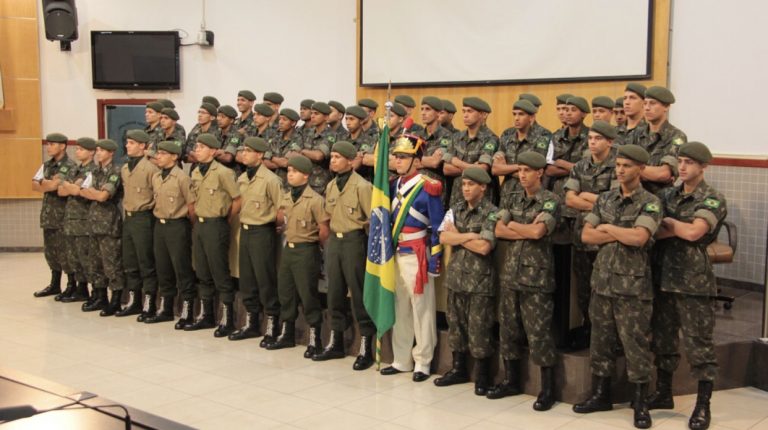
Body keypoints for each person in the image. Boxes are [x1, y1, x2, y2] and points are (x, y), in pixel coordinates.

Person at [572, 144, 662, 430]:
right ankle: (601, 394)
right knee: (600, 341)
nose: (620, 170)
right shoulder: (605, 199)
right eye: (618, 165)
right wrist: (619, 232)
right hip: (602, 281)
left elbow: (639, 238)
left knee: (634, 343)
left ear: (641, 169)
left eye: (626, 166)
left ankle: (640, 401)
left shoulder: (650, 202)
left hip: (631, 286)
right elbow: (587, 234)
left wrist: (607, 229)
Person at [649, 142, 726, 430]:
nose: (682, 167)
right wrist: (673, 227)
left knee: (699, 345)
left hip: (694, 281)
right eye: (680, 161)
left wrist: (670, 222)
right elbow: (653, 229)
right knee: (663, 340)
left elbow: (695, 232)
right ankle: (663, 393)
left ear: (703, 166)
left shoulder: (713, 197)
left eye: (689, 163)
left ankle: (703, 405)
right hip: (663, 276)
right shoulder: (668, 194)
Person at [487, 152, 559, 411]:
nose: (522, 174)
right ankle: (511, 380)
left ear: (540, 172)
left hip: (536, 277)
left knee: (539, 333)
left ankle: (547, 388)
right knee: (508, 329)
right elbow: (497, 230)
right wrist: (524, 228)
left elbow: (539, 232)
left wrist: (516, 227)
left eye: (528, 170)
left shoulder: (550, 200)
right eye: (520, 170)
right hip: (511, 274)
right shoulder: (512, 196)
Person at [379, 134, 444, 382]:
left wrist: (435, 261)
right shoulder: (393, 184)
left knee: (422, 309)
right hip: (396, 253)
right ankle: (401, 359)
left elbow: (437, 227)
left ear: (417, 161)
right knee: (400, 308)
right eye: (396, 156)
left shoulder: (429, 187)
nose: (397, 160)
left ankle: (423, 362)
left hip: (417, 254)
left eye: (403, 157)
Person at [434, 167, 497, 396]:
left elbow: (484, 247)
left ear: (483, 187)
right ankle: (458, 368)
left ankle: (483, 375)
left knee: (479, 329)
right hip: (456, 278)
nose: (466, 189)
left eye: (471, 185)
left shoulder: (492, 213)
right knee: (456, 326)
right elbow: (443, 237)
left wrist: (458, 236)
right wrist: (469, 235)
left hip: (479, 281)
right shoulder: (455, 209)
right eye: (463, 185)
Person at [312, 141, 375, 369]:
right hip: (334, 243)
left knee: (358, 293)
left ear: (350, 161)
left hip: (354, 241)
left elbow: (373, 218)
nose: (333, 160)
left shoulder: (362, 186)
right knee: (334, 292)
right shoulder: (330, 186)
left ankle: (366, 345)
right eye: (332, 157)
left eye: (338, 157)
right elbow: (328, 215)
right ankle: (336, 342)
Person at [266, 156, 330, 358]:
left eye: (294, 171)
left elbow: (323, 230)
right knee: (286, 292)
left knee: (308, 294)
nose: (290, 174)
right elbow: (281, 217)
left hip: (306, 250)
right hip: (289, 249)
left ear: (305, 175)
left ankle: (315, 338)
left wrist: (318, 250)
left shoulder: (316, 200)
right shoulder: (286, 197)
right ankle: (287, 333)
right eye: (289, 171)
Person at [563, 121, 619, 349]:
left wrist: (585, 196)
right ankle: (589, 329)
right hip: (581, 236)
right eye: (591, 138)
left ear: (610, 142)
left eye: (598, 139)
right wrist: (597, 200)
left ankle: (610, 334)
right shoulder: (580, 165)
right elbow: (569, 199)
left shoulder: (618, 166)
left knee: (607, 288)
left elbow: (616, 201)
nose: (593, 142)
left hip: (606, 239)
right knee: (584, 289)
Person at [184, 133, 242, 337]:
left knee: (219, 272)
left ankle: (227, 319)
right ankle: (206, 315)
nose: (196, 150)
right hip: (199, 225)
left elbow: (237, 200)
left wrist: (225, 220)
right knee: (202, 271)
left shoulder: (223, 173)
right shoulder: (197, 173)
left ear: (213, 150)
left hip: (216, 224)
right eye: (196, 147)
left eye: (201, 147)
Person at [229, 137, 283, 345]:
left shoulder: (270, 180)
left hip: (263, 232)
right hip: (246, 231)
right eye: (243, 150)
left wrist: (274, 227)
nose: (244, 153)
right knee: (247, 279)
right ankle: (251, 322)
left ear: (260, 155)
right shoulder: (243, 178)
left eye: (249, 151)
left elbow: (282, 209)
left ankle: (272, 323)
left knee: (265, 279)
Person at [144, 140, 197, 327]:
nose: (158, 156)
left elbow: (191, 206)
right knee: (163, 267)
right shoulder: (157, 177)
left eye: (163, 153)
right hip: (160, 224)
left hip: (178, 225)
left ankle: (187, 310)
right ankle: (166, 308)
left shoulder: (182, 177)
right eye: (157, 153)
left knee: (182, 268)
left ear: (174, 157)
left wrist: (189, 227)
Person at [79, 139, 125, 316]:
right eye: (97, 150)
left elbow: (103, 196)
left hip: (109, 223)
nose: (98, 153)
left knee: (111, 263)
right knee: (95, 263)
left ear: (111, 153)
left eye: (102, 150)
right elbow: (81, 191)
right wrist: (92, 193)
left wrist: (92, 193)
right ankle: (99, 296)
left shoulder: (115, 171)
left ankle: (116, 300)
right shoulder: (94, 171)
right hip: (93, 222)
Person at [118, 130, 160, 321]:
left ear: (143, 146)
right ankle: (134, 301)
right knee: (130, 262)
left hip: (144, 218)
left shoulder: (151, 169)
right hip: (129, 217)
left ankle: (149, 303)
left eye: (132, 143)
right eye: (127, 142)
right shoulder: (125, 168)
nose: (128, 146)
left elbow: (158, 195)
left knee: (146, 263)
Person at [32, 133, 76, 299]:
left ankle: (71, 284)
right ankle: (55, 283)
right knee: (50, 252)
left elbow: (57, 188)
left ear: (63, 146)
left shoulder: (69, 166)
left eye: (52, 144)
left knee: (66, 253)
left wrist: (45, 184)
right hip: (48, 216)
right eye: (48, 144)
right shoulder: (46, 165)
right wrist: (47, 184)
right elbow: (34, 185)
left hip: (63, 217)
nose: (48, 147)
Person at [57, 137, 98, 302]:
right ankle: (81, 289)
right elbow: (61, 190)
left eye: (81, 149)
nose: (77, 152)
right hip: (71, 220)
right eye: (77, 149)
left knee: (87, 257)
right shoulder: (75, 169)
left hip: (84, 220)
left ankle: (96, 292)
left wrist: (72, 187)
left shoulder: (93, 170)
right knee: (74, 257)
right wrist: (72, 186)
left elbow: (78, 191)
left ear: (91, 152)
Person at [443, 97, 498, 207]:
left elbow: (482, 169)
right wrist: (472, 167)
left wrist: (455, 161)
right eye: (463, 111)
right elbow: (446, 169)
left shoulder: (491, 139)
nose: (465, 115)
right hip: (457, 197)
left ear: (482, 115)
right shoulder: (456, 137)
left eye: (470, 111)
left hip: (481, 200)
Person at [632, 86, 687, 195]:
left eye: (652, 103)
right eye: (645, 104)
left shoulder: (676, 136)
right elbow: (621, 166)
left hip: (660, 198)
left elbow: (663, 174)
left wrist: (632, 170)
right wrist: (647, 172)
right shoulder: (636, 133)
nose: (647, 108)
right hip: (634, 196)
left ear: (666, 107)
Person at [494, 99, 550, 207]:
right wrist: (524, 168)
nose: (516, 118)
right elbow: (496, 169)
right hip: (507, 195)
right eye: (514, 114)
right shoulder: (506, 139)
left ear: (531, 117)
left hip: (531, 197)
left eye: (521, 114)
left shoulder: (541, 140)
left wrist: (506, 168)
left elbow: (537, 169)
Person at [415, 96, 453, 207]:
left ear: (438, 113)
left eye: (428, 109)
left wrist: (416, 160)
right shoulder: (416, 135)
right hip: (415, 188)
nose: (423, 113)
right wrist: (427, 160)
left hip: (435, 192)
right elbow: (407, 162)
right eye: (422, 109)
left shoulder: (447, 136)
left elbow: (435, 162)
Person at [264, 108, 302, 185]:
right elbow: (264, 161)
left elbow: (285, 163)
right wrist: (279, 163)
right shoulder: (275, 137)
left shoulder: (299, 139)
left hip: (288, 184)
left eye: (284, 120)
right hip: (271, 182)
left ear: (293, 123)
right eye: (280, 119)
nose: (280, 122)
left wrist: (271, 157)